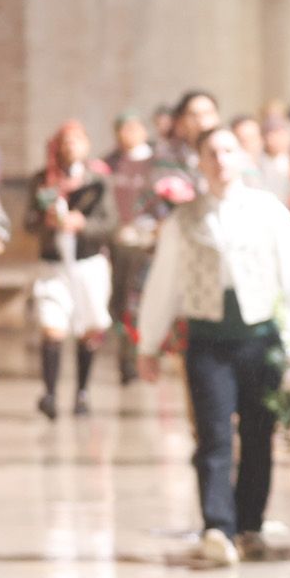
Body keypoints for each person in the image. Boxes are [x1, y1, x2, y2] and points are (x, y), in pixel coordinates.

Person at [135, 126, 290, 566]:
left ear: (241, 158)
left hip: (259, 338)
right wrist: (149, 342)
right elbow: (164, 283)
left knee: (258, 433)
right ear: (198, 161)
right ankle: (218, 525)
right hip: (208, 340)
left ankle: (250, 522)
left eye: (227, 151)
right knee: (214, 435)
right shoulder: (185, 219)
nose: (219, 160)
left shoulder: (268, 210)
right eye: (210, 152)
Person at [26, 122, 118, 419]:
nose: (70, 147)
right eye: (65, 142)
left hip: (87, 263)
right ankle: (50, 394)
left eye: (76, 141)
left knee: (88, 330)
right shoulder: (42, 180)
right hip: (53, 263)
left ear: (87, 145)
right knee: (52, 328)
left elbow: (109, 224)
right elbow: (28, 222)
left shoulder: (98, 181)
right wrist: (47, 221)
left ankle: (82, 392)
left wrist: (83, 225)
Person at [104, 113, 160, 384]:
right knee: (120, 301)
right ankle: (124, 357)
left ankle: (138, 355)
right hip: (120, 240)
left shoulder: (154, 162)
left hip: (146, 240)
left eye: (134, 128)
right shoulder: (111, 163)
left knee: (139, 300)